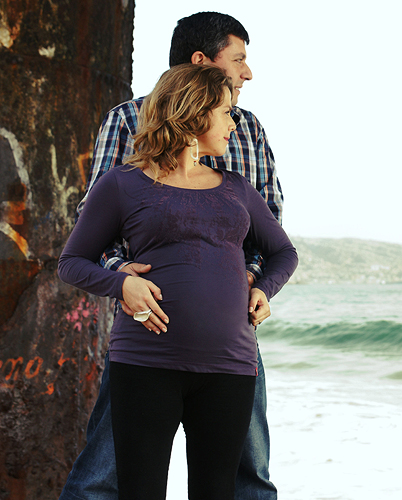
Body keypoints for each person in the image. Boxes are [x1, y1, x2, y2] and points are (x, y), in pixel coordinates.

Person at [59, 12, 284, 500]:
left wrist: (249, 283)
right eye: (239, 59)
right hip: (149, 340)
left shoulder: (248, 130)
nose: (248, 73)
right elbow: (96, 222)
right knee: (108, 471)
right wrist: (122, 278)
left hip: (230, 337)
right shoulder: (125, 121)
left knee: (248, 474)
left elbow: (271, 226)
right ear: (202, 64)